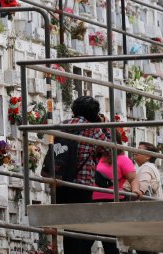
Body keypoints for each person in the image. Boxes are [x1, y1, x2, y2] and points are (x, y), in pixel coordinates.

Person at [52, 96, 109, 254]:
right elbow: (111, 149)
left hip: (60, 181)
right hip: (82, 184)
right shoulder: (93, 130)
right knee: (83, 227)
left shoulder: (62, 125)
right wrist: (105, 125)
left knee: (69, 226)